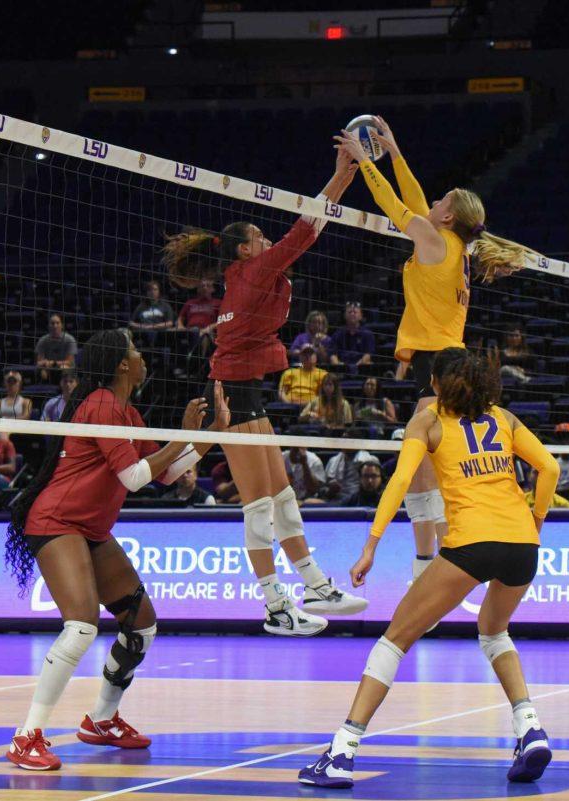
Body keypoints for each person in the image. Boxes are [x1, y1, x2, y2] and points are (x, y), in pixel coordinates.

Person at [299, 349, 560, 789]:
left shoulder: (429, 420)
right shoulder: (504, 417)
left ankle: (342, 752)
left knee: (394, 640)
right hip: (522, 546)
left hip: (471, 544)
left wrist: (371, 546)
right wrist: (534, 522)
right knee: (494, 631)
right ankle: (529, 727)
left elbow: (400, 481)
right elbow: (549, 468)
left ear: (436, 383)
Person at [160, 136, 367, 636]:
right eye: (258, 232)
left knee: (282, 497)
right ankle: (276, 607)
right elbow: (308, 226)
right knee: (257, 506)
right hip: (233, 392)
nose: (266, 235)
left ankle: (315, 585)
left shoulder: (244, 270)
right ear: (244, 247)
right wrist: (344, 172)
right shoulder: (256, 267)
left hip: (241, 389)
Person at [2, 329, 228, 771]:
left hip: (90, 528)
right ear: (122, 364)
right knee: (82, 625)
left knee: (140, 623)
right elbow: (135, 478)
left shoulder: (128, 412)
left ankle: (101, 718)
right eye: (136, 351)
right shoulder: (102, 402)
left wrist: (214, 433)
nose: (143, 358)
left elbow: (167, 473)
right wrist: (180, 435)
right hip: (57, 522)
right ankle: (26, 736)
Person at [336, 116, 533, 582]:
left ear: (447, 216)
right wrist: (397, 152)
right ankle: (430, 560)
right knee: (424, 462)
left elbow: (393, 204)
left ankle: (437, 561)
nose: (434, 203)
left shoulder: (433, 239)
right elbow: (415, 199)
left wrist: (366, 161)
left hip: (439, 363)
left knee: (422, 461)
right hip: (443, 361)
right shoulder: (452, 243)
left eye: (441, 201)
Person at [329, 301, 376, 371]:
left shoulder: (368, 334)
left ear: (361, 316)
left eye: (355, 312)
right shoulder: (337, 334)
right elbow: (333, 355)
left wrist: (356, 367)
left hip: (361, 367)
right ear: (344, 315)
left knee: (371, 366)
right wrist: (339, 366)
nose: (352, 314)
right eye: (349, 312)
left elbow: (368, 355)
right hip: (341, 368)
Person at [35, 314, 78, 383]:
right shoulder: (43, 340)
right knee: (42, 371)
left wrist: (54, 363)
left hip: (64, 368)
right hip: (48, 369)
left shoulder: (69, 339)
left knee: (65, 368)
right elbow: (39, 362)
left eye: (57, 323)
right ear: (48, 326)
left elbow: (70, 362)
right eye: (52, 323)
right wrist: (45, 363)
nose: (55, 326)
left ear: (62, 325)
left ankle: (64, 389)